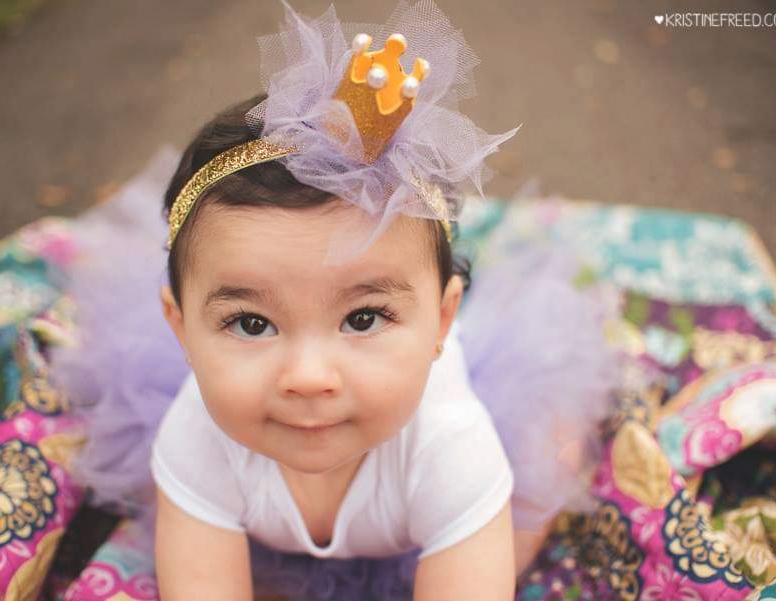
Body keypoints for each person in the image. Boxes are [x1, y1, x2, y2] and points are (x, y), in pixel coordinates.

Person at [51, 1, 623, 599]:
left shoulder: (452, 445)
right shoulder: (195, 434)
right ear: (180, 329)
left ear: (442, 322)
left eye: (364, 317)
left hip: (446, 459)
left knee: (542, 461)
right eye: (250, 323)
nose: (308, 377)